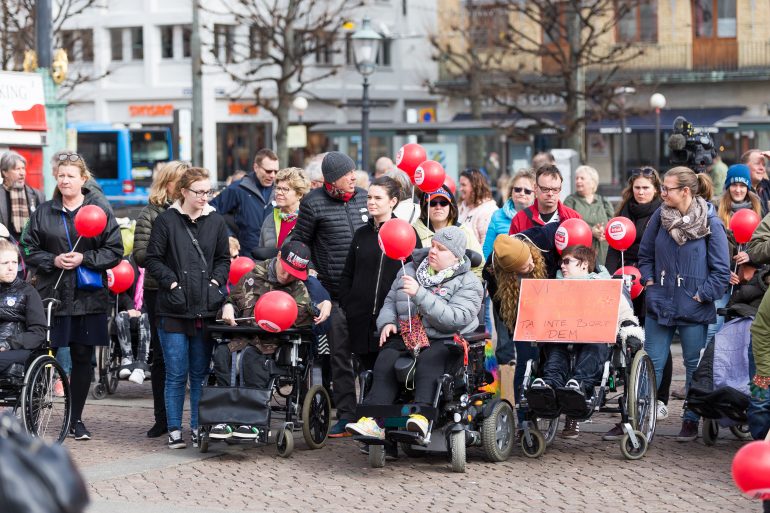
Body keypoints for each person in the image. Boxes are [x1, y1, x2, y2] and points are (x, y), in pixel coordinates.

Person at [344, 226, 483, 439]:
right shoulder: (409, 269)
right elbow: (391, 301)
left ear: (456, 257)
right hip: (409, 333)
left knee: (429, 360)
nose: (433, 251)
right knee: (386, 359)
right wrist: (387, 323)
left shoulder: (469, 283)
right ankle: (374, 421)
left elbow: (455, 319)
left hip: (444, 338)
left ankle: (421, 416)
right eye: (433, 246)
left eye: (441, 249)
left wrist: (419, 294)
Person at [21, 151, 123, 441]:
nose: (65, 180)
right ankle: (35, 413)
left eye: (71, 176)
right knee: (43, 351)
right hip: (51, 295)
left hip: (87, 296)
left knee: (81, 356)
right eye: (61, 175)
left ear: (83, 179)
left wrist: (85, 258)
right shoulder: (44, 211)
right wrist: (52, 260)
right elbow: (27, 248)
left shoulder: (100, 208)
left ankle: (75, 418)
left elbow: (115, 251)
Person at [638, 166, 730, 441]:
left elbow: (721, 271)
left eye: (667, 189)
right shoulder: (659, 216)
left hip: (693, 305)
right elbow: (644, 256)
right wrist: (650, 282)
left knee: (693, 364)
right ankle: (645, 415)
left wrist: (701, 295)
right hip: (660, 301)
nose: (662, 193)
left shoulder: (710, 223)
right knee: (652, 361)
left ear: (686, 191)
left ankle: (690, 418)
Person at [145, 166, 230, 450]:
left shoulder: (216, 221)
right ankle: (173, 429)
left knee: (199, 373)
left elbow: (223, 259)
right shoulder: (167, 221)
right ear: (183, 191)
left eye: (208, 191)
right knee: (176, 373)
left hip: (204, 308)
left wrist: (215, 283)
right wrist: (171, 284)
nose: (204, 197)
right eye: (198, 192)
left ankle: (196, 426)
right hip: (173, 308)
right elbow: (153, 259)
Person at [210, 240, 331, 439]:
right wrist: (228, 307)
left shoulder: (299, 287)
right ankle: (223, 417)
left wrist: (322, 306)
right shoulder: (253, 275)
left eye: (294, 273)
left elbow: (310, 319)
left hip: (273, 344)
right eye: (286, 270)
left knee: (252, 357)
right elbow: (233, 299)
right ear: (279, 257)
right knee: (223, 354)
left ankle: (251, 421)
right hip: (244, 337)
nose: (288, 276)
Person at [528, 244, 643, 439]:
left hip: (595, 339)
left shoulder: (604, 285)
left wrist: (631, 332)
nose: (562, 266)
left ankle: (579, 387)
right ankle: (548, 388)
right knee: (555, 350)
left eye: (567, 262)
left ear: (584, 265)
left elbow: (624, 313)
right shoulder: (554, 289)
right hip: (564, 338)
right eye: (560, 262)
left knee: (593, 346)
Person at [292, 151, 368, 437]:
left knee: (369, 353)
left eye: (353, 173)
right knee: (340, 354)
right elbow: (300, 242)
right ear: (332, 180)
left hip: (364, 293)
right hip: (332, 293)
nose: (353, 177)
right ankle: (346, 414)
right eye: (347, 174)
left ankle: (371, 411)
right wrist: (310, 270)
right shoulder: (312, 204)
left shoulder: (364, 198)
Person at [604, 166, 673, 419]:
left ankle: (660, 398)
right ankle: (631, 400)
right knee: (628, 342)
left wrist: (649, 277)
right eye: (637, 188)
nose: (641, 192)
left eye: (646, 188)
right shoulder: (623, 212)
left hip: (651, 283)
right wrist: (611, 280)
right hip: (625, 286)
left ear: (655, 190)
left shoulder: (663, 213)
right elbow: (614, 249)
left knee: (656, 342)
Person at [339, 176, 421, 372]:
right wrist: (348, 303)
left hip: (392, 321)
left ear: (393, 202)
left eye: (378, 198)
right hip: (359, 318)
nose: (371, 202)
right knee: (363, 373)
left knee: (386, 373)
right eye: (369, 197)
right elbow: (348, 273)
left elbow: (418, 274)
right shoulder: (361, 234)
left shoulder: (405, 233)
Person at [133, 160, 188, 438]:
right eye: (180, 182)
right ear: (167, 184)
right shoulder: (151, 214)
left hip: (191, 290)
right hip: (159, 292)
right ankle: (162, 417)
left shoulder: (195, 211)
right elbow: (140, 254)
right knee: (162, 357)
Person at [709, 164, 762, 342]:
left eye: (742, 185)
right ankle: (708, 367)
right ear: (727, 186)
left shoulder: (759, 209)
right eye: (733, 185)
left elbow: (764, 244)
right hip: (724, 279)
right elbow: (711, 246)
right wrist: (724, 271)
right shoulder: (716, 210)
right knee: (713, 327)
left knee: (747, 330)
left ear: (748, 187)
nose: (738, 189)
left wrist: (751, 258)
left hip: (751, 280)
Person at [210, 148, 278, 255]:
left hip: (273, 257)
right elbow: (211, 210)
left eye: (276, 171)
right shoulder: (238, 188)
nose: (273, 175)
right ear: (256, 167)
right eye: (268, 171)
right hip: (247, 257)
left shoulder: (280, 190)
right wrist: (228, 235)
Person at [412, 186, 484, 277]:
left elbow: (480, 267)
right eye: (433, 203)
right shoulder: (413, 232)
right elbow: (408, 268)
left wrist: (468, 287)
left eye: (443, 203)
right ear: (425, 207)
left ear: (450, 206)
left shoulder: (464, 231)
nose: (438, 207)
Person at [0, 239, 46, 378]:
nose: (11, 267)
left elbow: (39, 333)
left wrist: (8, 343)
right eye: (5, 263)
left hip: (18, 347)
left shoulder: (28, 292)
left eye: (14, 262)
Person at [564, 165, 614, 266]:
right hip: (579, 254)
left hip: (603, 254)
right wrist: (591, 231)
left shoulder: (604, 202)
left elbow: (612, 224)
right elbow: (569, 226)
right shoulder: (570, 201)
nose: (578, 181)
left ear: (592, 182)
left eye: (582, 178)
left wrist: (602, 231)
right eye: (577, 178)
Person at [509, 164, 581, 234]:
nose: (550, 194)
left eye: (555, 190)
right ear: (535, 188)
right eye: (545, 189)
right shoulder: (519, 219)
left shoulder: (573, 218)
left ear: (560, 189)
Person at [483, 169, 535, 259]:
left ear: (535, 194)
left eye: (527, 191)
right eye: (518, 189)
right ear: (511, 191)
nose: (522, 193)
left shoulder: (540, 217)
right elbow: (487, 250)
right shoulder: (497, 215)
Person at [114, 258, 151, 385]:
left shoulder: (155, 265)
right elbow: (120, 290)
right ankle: (127, 358)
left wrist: (142, 310)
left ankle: (141, 363)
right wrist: (130, 307)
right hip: (128, 309)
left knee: (145, 319)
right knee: (120, 317)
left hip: (148, 311)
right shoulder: (128, 263)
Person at [258, 167, 310, 249]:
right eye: (278, 188)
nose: (279, 192)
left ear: (299, 194)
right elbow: (260, 253)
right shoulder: (270, 219)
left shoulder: (307, 220)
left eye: (285, 189)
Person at [0, 151, 44, 242]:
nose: (22, 173)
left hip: (28, 249)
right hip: (4, 249)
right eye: (17, 169)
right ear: (5, 173)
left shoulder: (37, 195)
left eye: (23, 168)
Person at [458, 168, 499, 249]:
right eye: (460, 185)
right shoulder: (461, 207)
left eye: (463, 185)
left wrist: (475, 261)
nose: (460, 189)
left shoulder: (488, 210)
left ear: (475, 186)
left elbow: (487, 245)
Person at [743, 149, 770, 216]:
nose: (762, 168)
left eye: (764, 165)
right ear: (744, 166)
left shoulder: (766, 186)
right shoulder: (738, 190)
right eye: (757, 164)